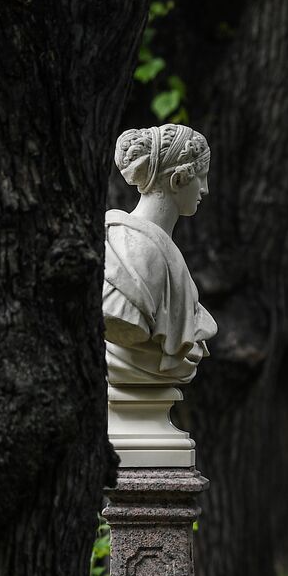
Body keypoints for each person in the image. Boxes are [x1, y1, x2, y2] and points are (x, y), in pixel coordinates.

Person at [103, 124, 218, 385]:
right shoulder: (134, 250)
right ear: (178, 180)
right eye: (201, 176)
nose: (205, 189)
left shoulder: (150, 247)